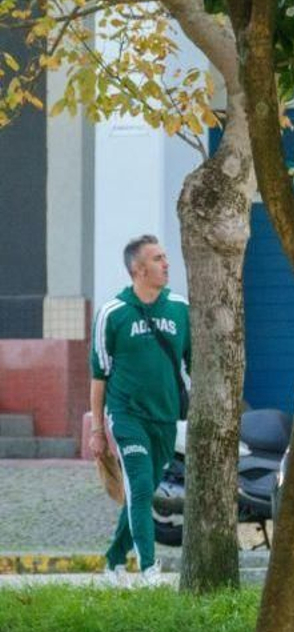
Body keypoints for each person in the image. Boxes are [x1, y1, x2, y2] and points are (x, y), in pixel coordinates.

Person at [89, 235, 189, 587]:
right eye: (158, 258)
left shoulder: (179, 308)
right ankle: (149, 570)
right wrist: (98, 430)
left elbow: (193, 364)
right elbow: (99, 376)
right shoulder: (113, 314)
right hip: (126, 415)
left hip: (165, 417)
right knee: (143, 486)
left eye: (164, 256)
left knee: (138, 490)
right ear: (138, 268)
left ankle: (114, 560)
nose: (166, 263)